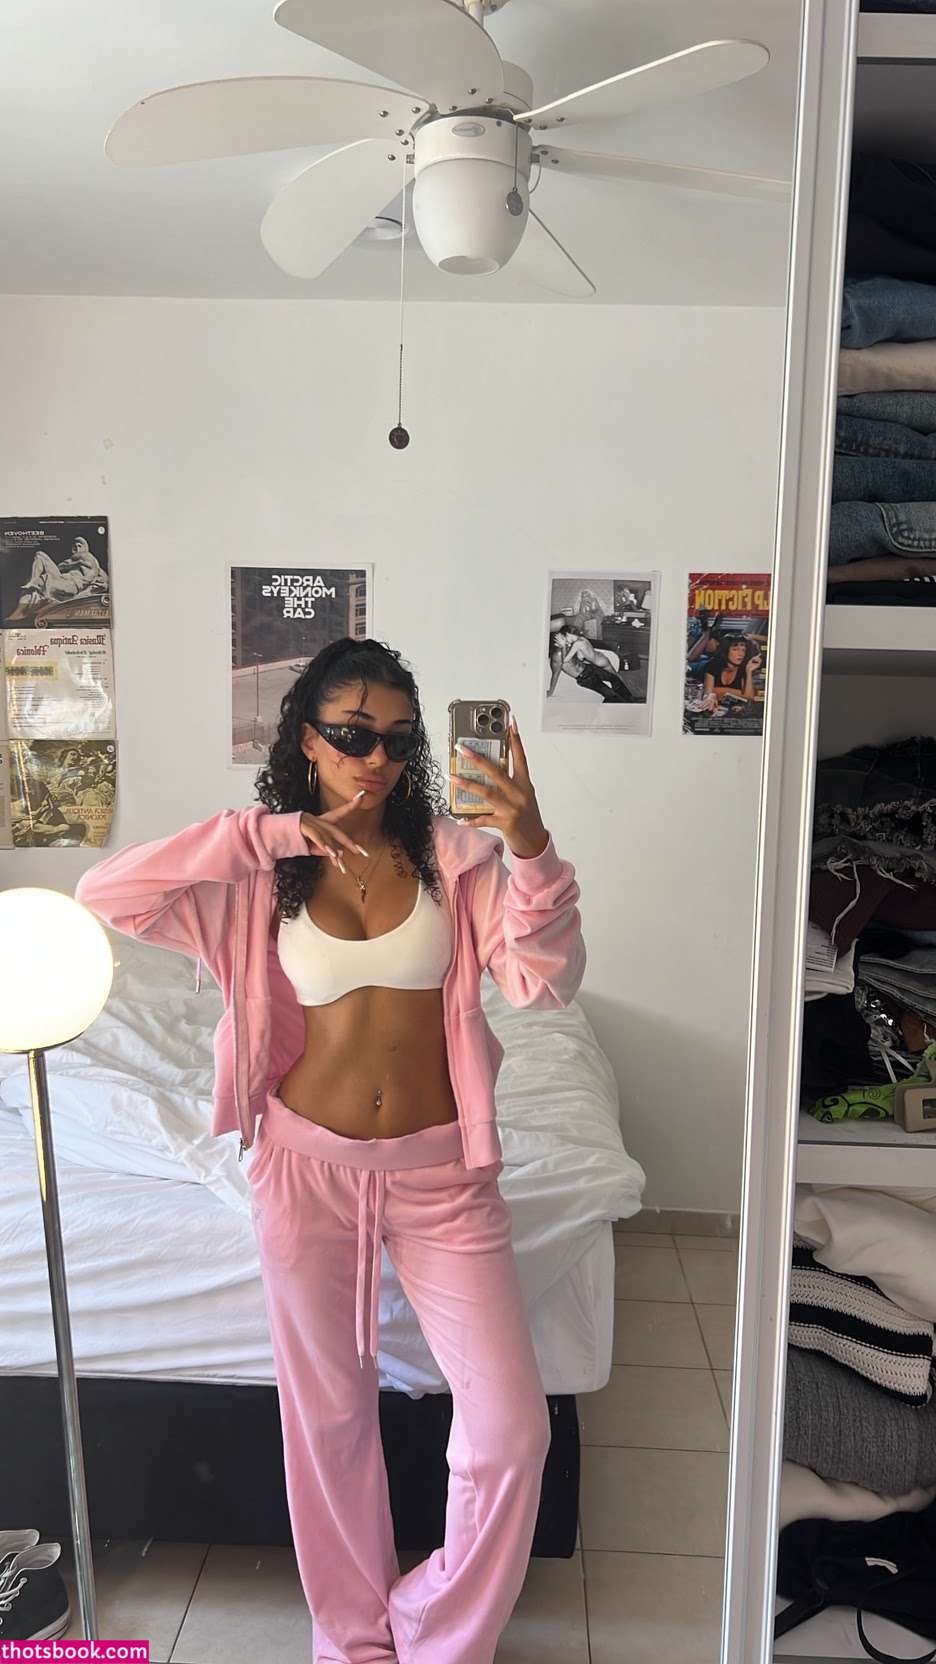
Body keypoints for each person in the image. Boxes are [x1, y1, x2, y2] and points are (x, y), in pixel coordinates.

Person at [75, 636, 585, 1664]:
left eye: (397, 738)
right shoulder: (258, 872)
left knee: (512, 1430)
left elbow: (545, 981)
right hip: (304, 1171)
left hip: (442, 1176)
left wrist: (531, 845)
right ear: (305, 739)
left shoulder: (457, 858)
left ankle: (435, 1631)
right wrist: (265, 834)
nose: (376, 758)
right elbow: (107, 893)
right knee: (329, 1423)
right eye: (352, 735)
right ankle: (353, 1641)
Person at [5, 536, 107, 623]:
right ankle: (19, 611)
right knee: (36, 578)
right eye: (75, 546)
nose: (77, 548)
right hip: (63, 580)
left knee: (42, 571)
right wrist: (76, 565)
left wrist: (74, 564)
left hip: (71, 585)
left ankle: (36, 593)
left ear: (85, 548)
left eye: (80, 546)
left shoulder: (85, 555)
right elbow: (61, 566)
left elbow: (63, 566)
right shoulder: (86, 563)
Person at [547, 627, 635, 702]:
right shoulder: (557, 655)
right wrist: (550, 692)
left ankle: (631, 700)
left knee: (614, 678)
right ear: (556, 642)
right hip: (585, 678)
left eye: (563, 637)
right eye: (562, 638)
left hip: (589, 668)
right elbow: (557, 673)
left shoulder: (567, 646)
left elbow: (578, 657)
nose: (565, 639)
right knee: (611, 695)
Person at [702, 636, 763, 707]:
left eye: (743, 650)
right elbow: (707, 694)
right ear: (725, 651)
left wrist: (749, 671)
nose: (741, 654)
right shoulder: (713, 665)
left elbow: (749, 697)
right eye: (735, 649)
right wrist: (739, 693)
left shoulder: (744, 668)